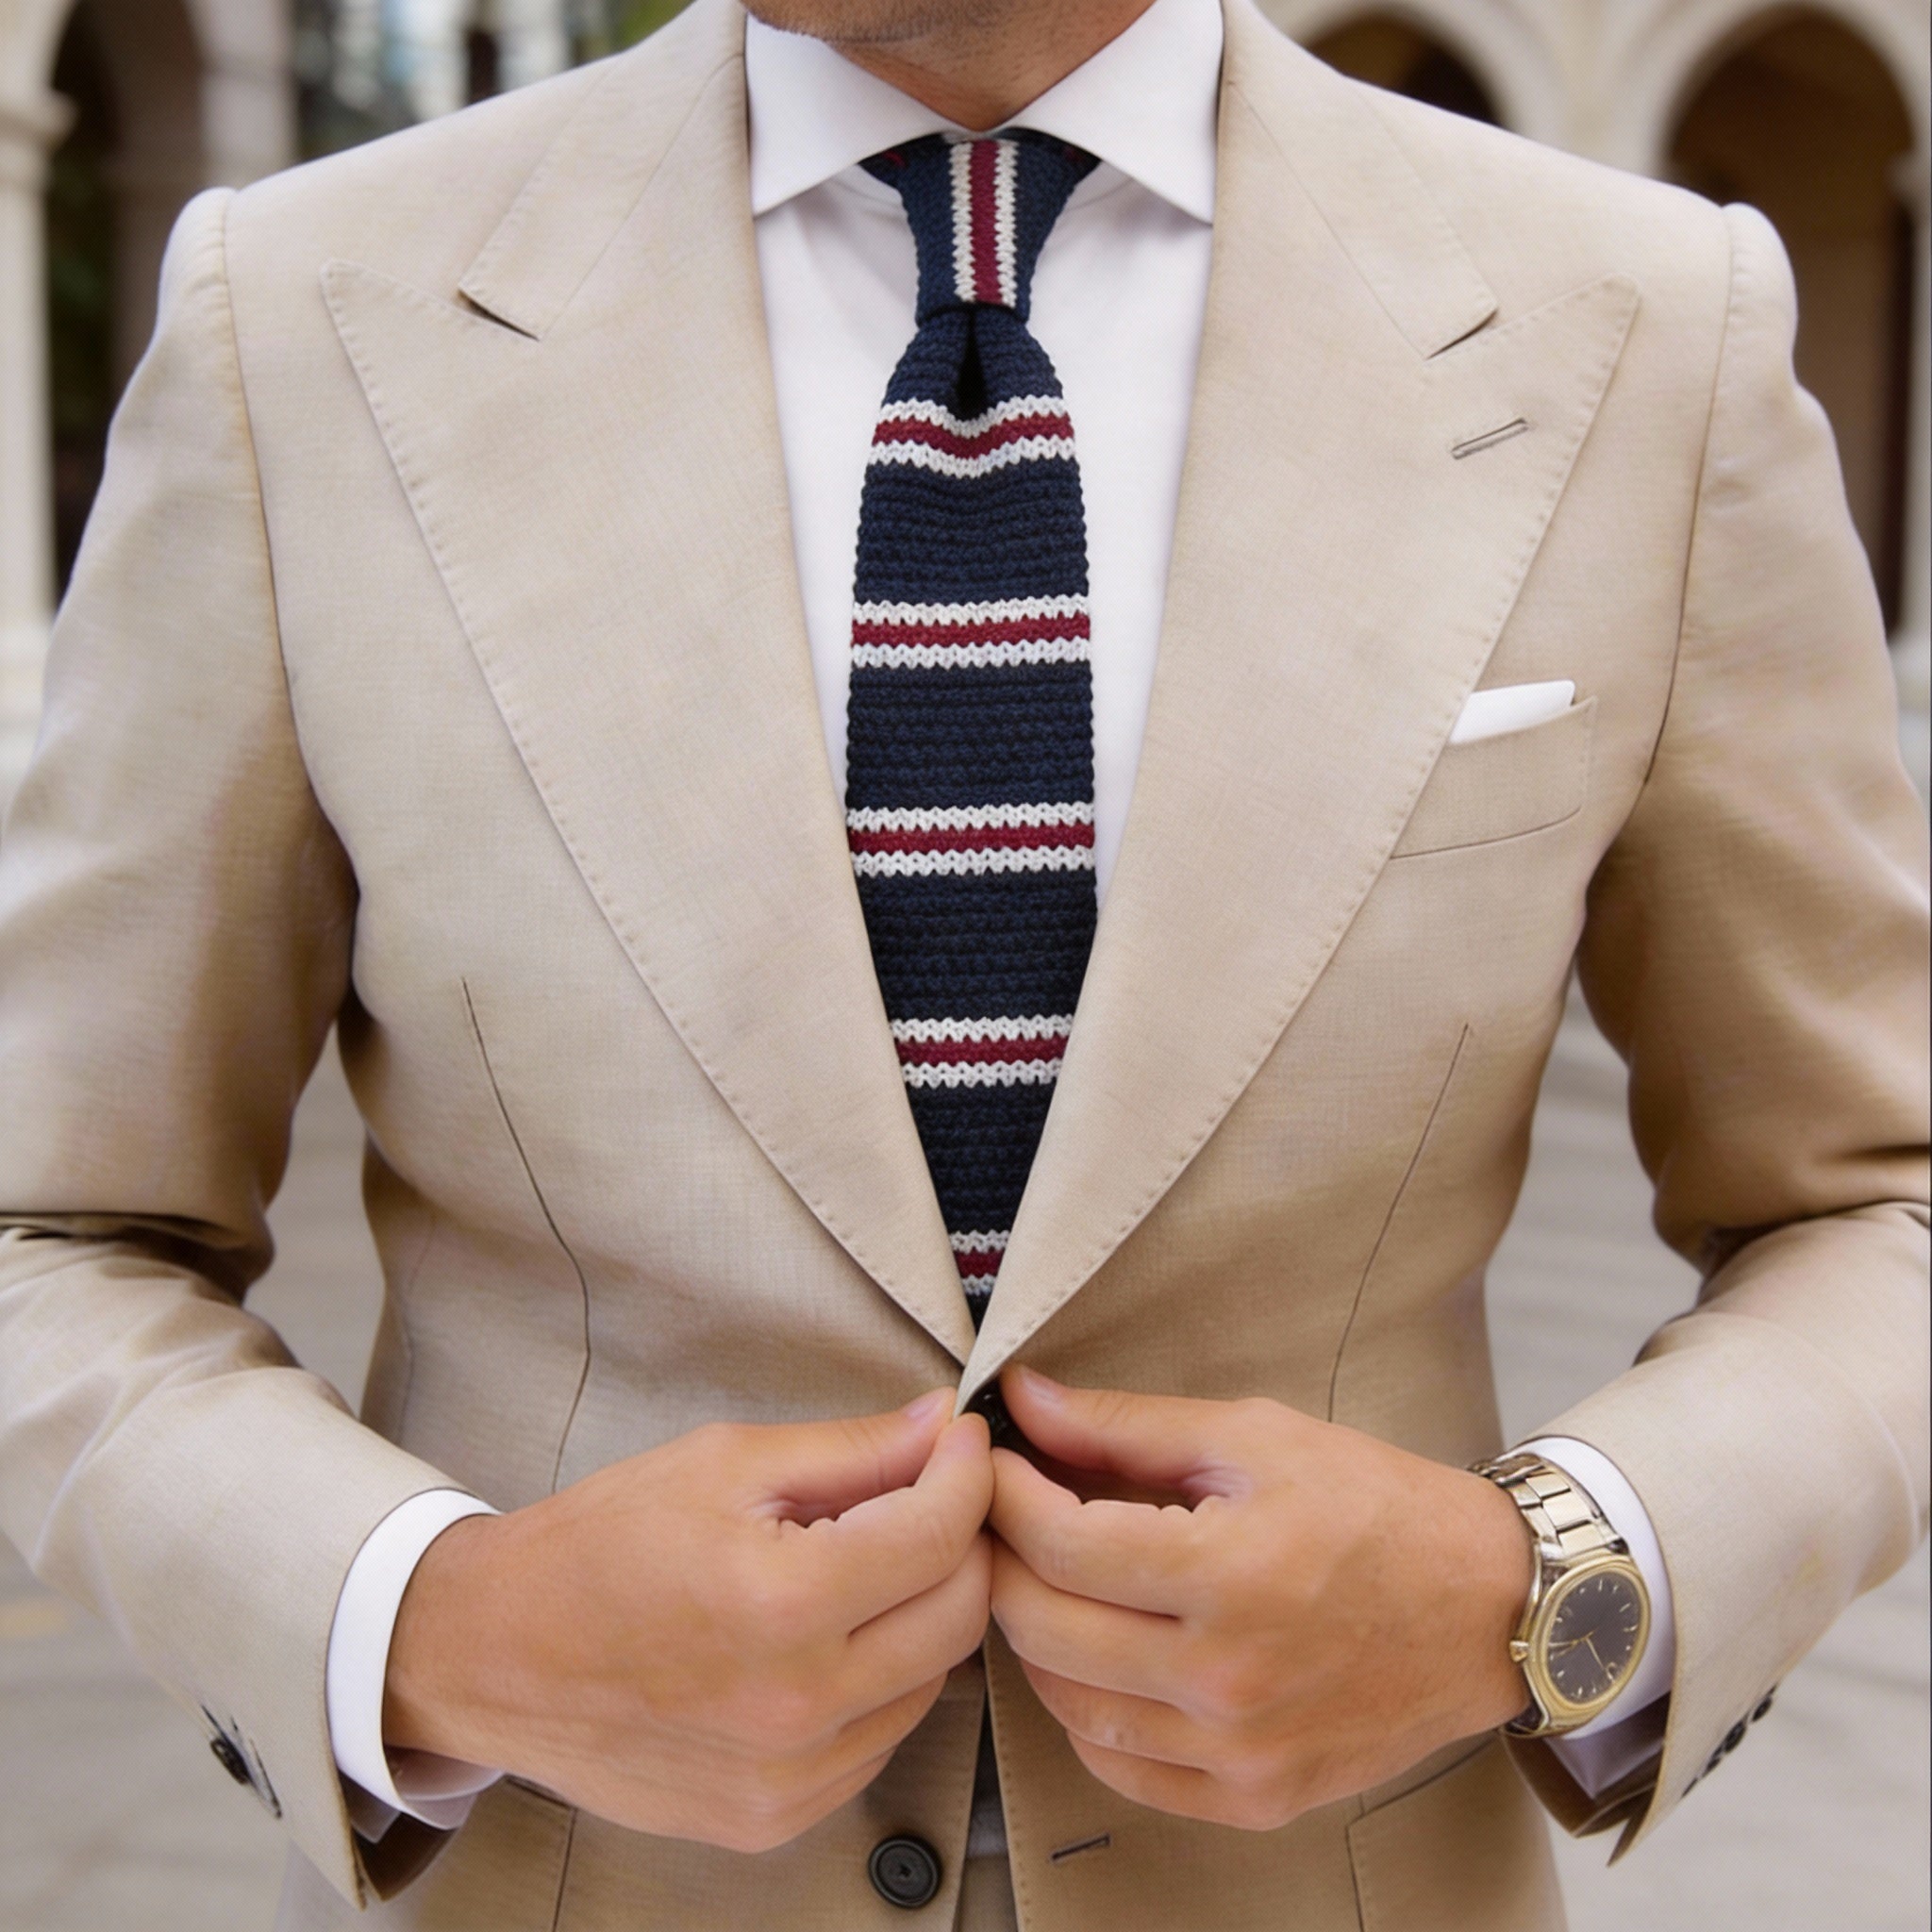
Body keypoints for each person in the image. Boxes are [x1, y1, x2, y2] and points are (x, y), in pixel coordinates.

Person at [0, 0, 1924, 1924]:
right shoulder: (304, 316)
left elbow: (1878, 1201)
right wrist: (438, 1626)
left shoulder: (1646, 326)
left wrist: (1543, 1584)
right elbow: (51, 1228)